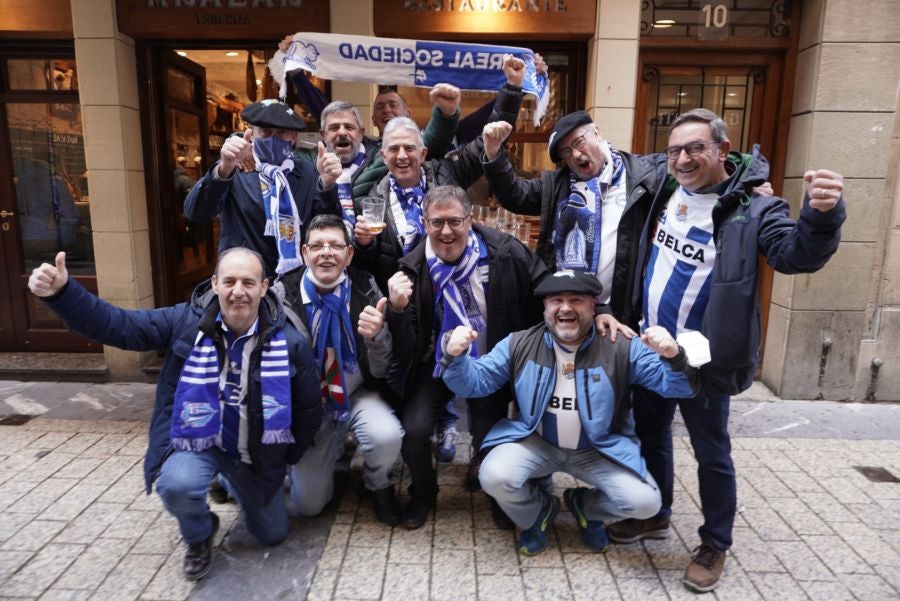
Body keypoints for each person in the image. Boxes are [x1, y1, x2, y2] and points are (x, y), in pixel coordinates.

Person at [608, 108, 846, 593]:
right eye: (675, 150)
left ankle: (715, 543)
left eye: (695, 148)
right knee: (650, 436)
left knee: (711, 451)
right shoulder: (664, 188)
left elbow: (794, 253)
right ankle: (655, 514)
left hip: (701, 362)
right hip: (651, 349)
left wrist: (822, 216)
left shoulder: (755, 208)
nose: (683, 158)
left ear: (721, 149)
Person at [27, 247, 322, 581]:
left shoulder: (290, 343)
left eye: (248, 282)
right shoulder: (185, 321)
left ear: (264, 286)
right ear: (214, 284)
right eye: (229, 281)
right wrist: (64, 294)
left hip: (252, 455)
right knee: (177, 485)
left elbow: (308, 410)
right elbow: (120, 326)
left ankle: (230, 481)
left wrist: (282, 460)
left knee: (271, 534)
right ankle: (199, 535)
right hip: (198, 441)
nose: (238, 291)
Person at [440, 269, 697, 556]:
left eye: (576, 300)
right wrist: (457, 356)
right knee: (493, 475)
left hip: (596, 449)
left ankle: (585, 507)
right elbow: (474, 383)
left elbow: (678, 387)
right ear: (545, 307)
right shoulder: (519, 343)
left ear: (593, 305)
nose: (565, 308)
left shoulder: (621, 347)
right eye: (556, 300)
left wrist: (674, 357)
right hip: (537, 443)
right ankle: (538, 513)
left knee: (646, 502)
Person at [386, 185, 549, 530]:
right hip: (437, 363)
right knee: (413, 430)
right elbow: (406, 347)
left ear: (470, 220)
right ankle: (423, 494)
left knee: (487, 430)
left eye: (455, 221)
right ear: (424, 222)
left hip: (489, 360)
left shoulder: (506, 253)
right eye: (437, 222)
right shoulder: (411, 269)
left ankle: (493, 490)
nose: (446, 231)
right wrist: (398, 312)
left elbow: (544, 292)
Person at [351, 55, 528, 296]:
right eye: (394, 149)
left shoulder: (448, 172)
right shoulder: (371, 200)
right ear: (383, 155)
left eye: (409, 148)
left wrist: (513, 87)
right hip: (404, 306)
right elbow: (367, 268)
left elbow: (492, 136)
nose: (402, 155)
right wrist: (363, 245)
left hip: (453, 294)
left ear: (423, 152)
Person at [273, 214, 405, 526]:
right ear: (304, 253)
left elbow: (382, 368)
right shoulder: (281, 297)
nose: (326, 253)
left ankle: (377, 483)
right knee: (309, 506)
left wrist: (378, 337)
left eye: (335, 245)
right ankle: (327, 451)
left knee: (387, 436)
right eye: (317, 246)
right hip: (310, 406)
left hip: (357, 393)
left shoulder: (365, 288)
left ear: (348, 254)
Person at [481, 111, 668, 330]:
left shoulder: (641, 175)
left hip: (621, 315)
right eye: (566, 152)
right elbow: (515, 195)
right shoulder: (558, 185)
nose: (577, 155)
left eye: (579, 142)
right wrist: (494, 153)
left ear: (596, 133)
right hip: (566, 314)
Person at [184, 99, 340, 279]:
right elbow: (195, 213)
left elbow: (327, 225)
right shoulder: (234, 169)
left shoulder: (306, 172)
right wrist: (223, 170)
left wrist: (327, 185)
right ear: (251, 134)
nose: (273, 139)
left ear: (293, 137)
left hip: (293, 284)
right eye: (265, 131)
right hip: (244, 283)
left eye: (282, 132)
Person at [313, 84, 462, 229]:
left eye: (393, 104)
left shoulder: (381, 158)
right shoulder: (310, 163)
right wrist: (326, 184)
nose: (342, 132)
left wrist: (445, 114)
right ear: (323, 134)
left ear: (361, 132)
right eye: (333, 128)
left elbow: (432, 140)